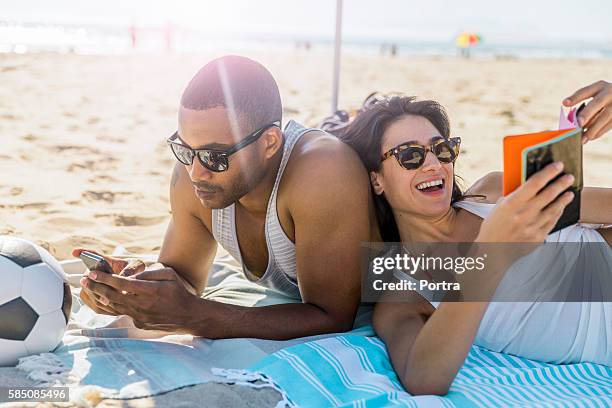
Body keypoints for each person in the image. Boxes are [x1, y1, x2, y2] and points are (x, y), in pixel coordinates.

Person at [73, 55, 377, 340]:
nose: (196, 173)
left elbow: (332, 317)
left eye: (215, 156)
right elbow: (185, 281)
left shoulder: (322, 172)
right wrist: (133, 289)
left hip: (405, 266)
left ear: (270, 142)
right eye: (186, 150)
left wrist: (196, 316)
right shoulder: (192, 173)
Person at [337, 90, 611, 395]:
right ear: (377, 180)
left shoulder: (492, 192)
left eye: (442, 150)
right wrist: (491, 256)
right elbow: (424, 378)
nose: (433, 165)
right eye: (410, 155)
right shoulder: (404, 297)